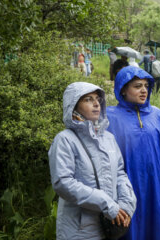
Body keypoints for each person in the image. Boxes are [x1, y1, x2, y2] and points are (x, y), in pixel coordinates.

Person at [48, 82, 136, 240]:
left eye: (98, 99)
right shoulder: (65, 140)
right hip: (78, 230)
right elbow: (63, 182)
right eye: (88, 99)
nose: (96, 104)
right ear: (74, 105)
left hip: (109, 226)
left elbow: (120, 174)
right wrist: (107, 204)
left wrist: (126, 205)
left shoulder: (108, 138)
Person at [106, 66, 160, 240]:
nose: (144, 90)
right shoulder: (110, 117)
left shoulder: (158, 115)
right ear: (123, 89)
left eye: (146, 86)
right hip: (127, 184)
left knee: (157, 223)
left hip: (155, 185)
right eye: (137, 86)